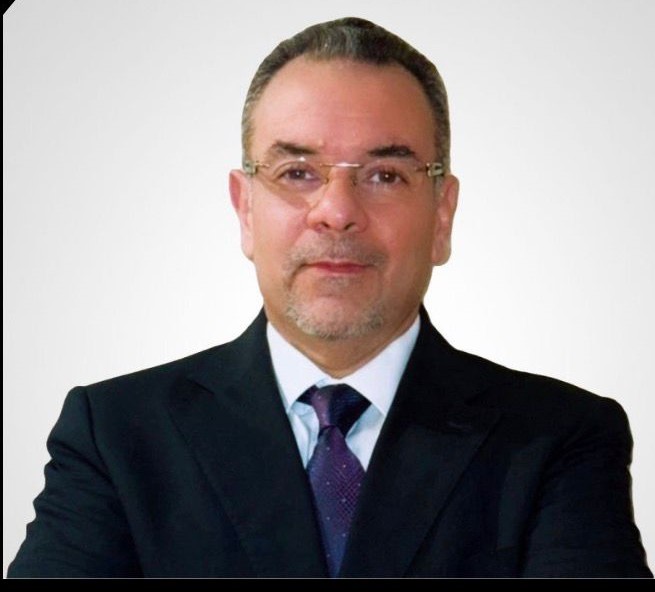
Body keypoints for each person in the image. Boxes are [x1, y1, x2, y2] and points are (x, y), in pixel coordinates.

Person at [7, 17, 652, 578]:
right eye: (297, 173)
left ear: (442, 214)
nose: (337, 212)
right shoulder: (117, 436)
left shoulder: (556, 441)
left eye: (385, 175)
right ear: (245, 209)